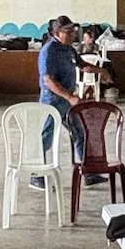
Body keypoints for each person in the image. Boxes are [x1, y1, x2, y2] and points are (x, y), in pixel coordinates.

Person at [37, 16, 82, 171]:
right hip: (53, 101)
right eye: (68, 32)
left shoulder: (69, 48)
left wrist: (101, 71)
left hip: (67, 101)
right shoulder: (48, 51)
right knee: (46, 137)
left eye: (73, 31)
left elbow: (81, 64)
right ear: (57, 32)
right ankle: (37, 174)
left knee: (79, 132)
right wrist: (70, 97)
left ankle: (86, 170)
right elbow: (48, 80)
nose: (72, 35)